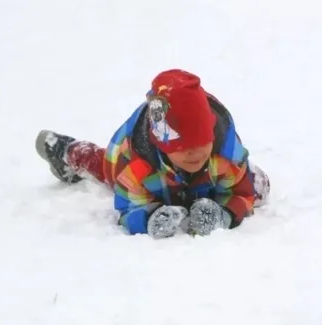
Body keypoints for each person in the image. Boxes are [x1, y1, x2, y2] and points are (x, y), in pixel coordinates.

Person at [34, 69, 270, 238]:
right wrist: (149, 219)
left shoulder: (226, 157)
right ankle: (67, 152)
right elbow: (127, 209)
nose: (194, 153)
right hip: (135, 164)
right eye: (182, 147)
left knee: (258, 188)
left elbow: (242, 193)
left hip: (211, 176)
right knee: (105, 169)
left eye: (201, 142)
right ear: (162, 145)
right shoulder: (137, 167)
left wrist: (225, 214)